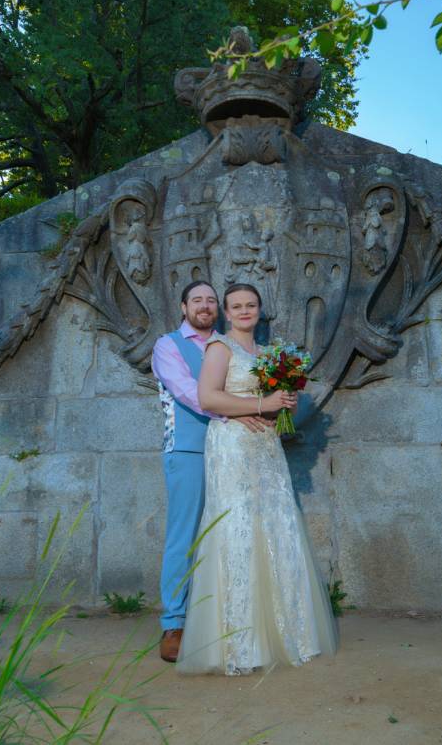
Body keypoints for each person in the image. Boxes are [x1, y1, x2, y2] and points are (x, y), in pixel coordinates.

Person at [176, 283, 339, 675]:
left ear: (259, 311)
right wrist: (260, 403)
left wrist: (283, 407)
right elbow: (208, 398)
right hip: (232, 447)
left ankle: (289, 635)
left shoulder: (270, 355)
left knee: (277, 527)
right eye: (236, 306)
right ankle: (240, 645)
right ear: (226, 314)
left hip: (266, 447)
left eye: (251, 305)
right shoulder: (219, 348)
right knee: (238, 529)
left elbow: (276, 404)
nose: (244, 310)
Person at [150, 280, 272, 663]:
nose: (205, 305)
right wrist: (247, 407)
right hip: (188, 449)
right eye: (196, 300)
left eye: (211, 300)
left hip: (235, 447)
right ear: (183, 307)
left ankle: (226, 617)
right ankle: (174, 623)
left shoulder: (229, 343)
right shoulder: (168, 345)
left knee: (234, 532)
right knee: (185, 535)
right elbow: (189, 391)